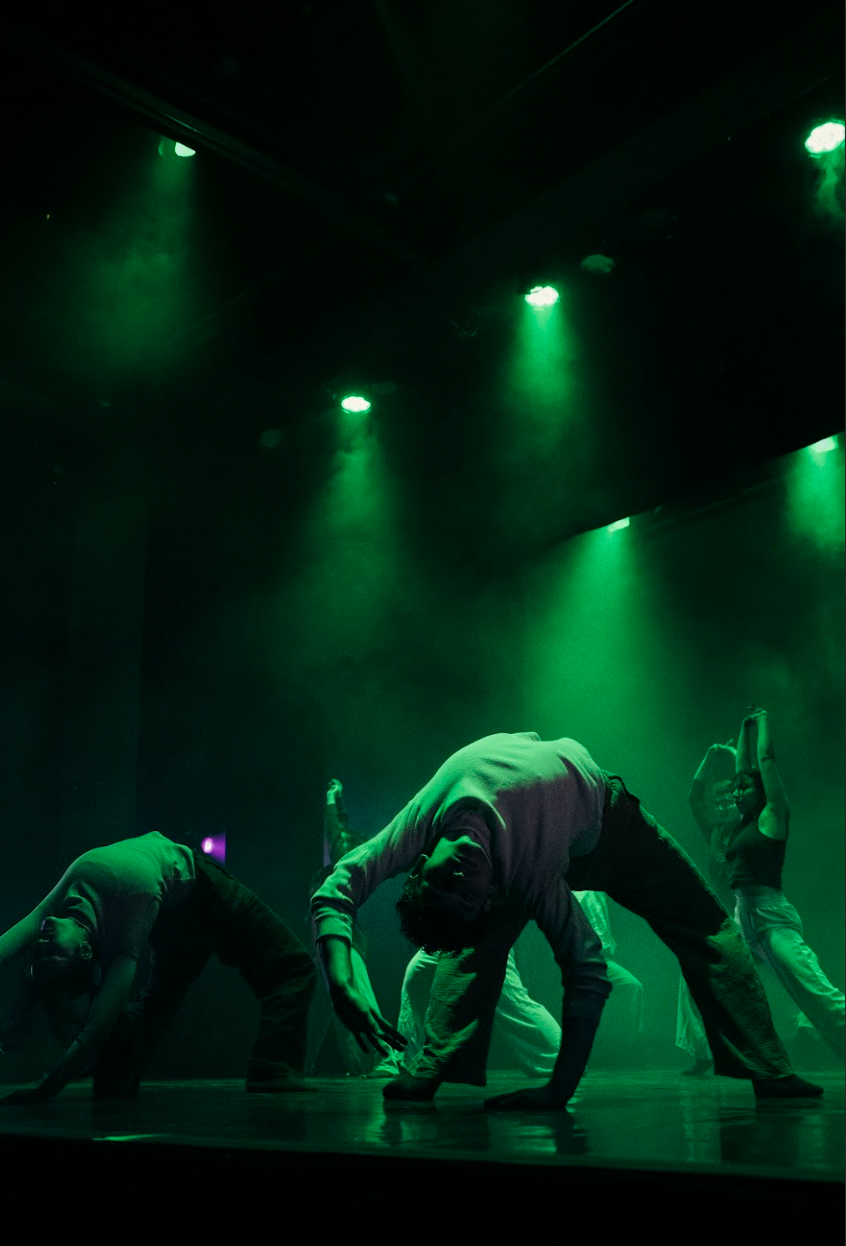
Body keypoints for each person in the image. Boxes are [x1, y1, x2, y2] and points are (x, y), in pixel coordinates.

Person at [312, 730, 822, 1110]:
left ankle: (769, 1068)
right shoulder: (529, 874)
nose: (460, 875)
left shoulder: (420, 821)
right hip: (590, 830)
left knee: (705, 925)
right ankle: (430, 1070)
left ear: (420, 863)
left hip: (608, 820)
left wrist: (341, 983)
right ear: (487, 896)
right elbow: (585, 969)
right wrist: (559, 1089)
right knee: (472, 948)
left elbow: (337, 887)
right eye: (465, 894)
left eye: (443, 879)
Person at [0, 830, 316, 1102]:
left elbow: (11, 940)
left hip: (171, 910)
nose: (42, 943)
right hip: (199, 891)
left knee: (158, 1002)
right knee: (293, 967)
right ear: (84, 951)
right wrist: (48, 1088)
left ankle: (113, 1077)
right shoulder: (128, 914)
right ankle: (273, 1069)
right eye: (53, 954)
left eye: (39, 952)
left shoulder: (62, 904)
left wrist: (47, 1088)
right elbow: (96, 1029)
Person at [678, 737, 814, 1074]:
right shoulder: (713, 831)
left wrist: (735, 755)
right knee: (691, 974)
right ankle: (703, 1051)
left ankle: (805, 1028)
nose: (723, 803)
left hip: (757, 915)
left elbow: (756, 787)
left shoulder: (752, 823)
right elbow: (694, 797)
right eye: (718, 800)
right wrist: (709, 758)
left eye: (729, 797)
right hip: (724, 921)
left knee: (780, 973)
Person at [723, 707, 844, 1062]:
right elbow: (743, 768)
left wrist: (762, 721)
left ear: (762, 790)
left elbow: (766, 760)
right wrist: (742, 727)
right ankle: (755, 1053)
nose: (736, 793)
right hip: (742, 916)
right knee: (723, 979)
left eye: (743, 788)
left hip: (772, 916)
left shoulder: (773, 814)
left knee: (814, 991)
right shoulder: (745, 820)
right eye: (735, 789)